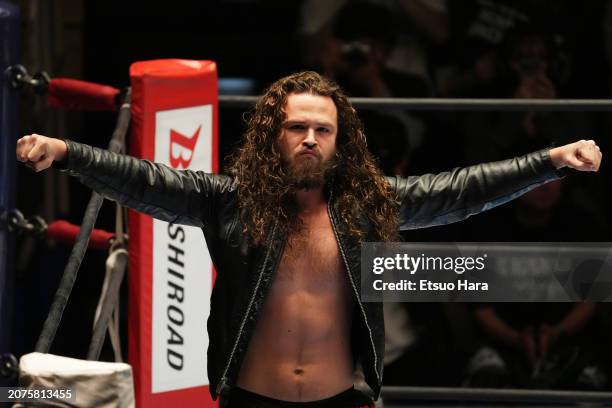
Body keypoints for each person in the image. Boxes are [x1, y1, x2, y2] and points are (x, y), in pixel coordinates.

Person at [16, 71, 602, 407]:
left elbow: (461, 190)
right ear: (274, 134)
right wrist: (67, 153)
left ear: (339, 140)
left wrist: (550, 161)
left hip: (341, 401)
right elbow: (145, 180)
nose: (309, 139)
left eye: (323, 129)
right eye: (297, 126)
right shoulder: (230, 200)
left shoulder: (368, 206)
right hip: (249, 400)